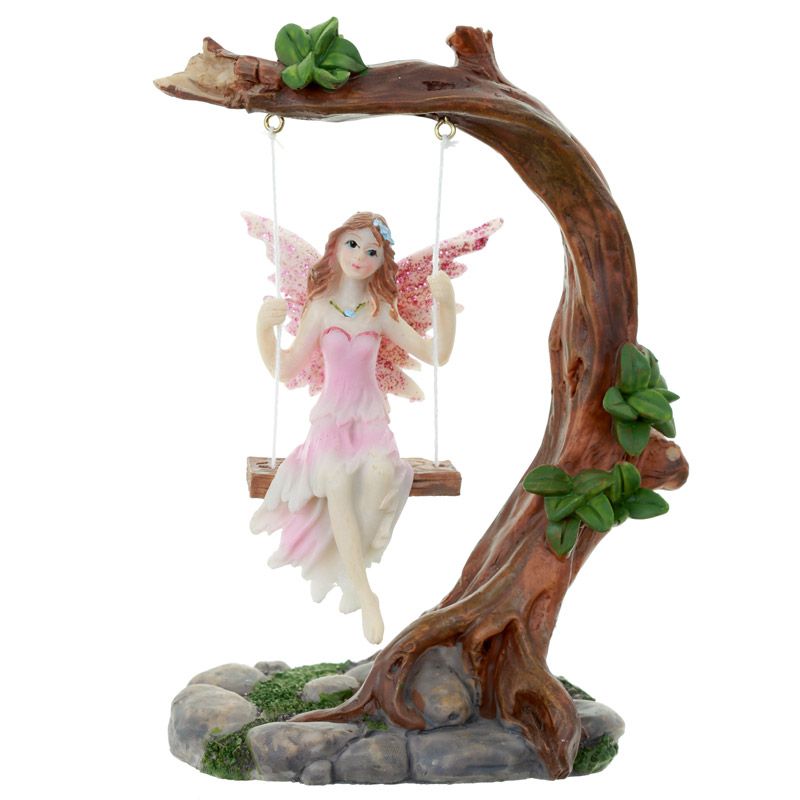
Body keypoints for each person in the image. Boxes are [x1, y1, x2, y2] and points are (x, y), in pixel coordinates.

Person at [251, 211, 456, 644]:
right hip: (330, 419)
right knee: (336, 480)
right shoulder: (320, 309)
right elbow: (286, 367)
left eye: (372, 250)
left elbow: (435, 354)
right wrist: (263, 331)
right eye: (352, 244)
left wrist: (446, 306)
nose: (360, 256)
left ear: (381, 262)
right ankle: (365, 594)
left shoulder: (380, 312)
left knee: (380, 474)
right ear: (335, 247)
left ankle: (352, 573)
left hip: (369, 419)